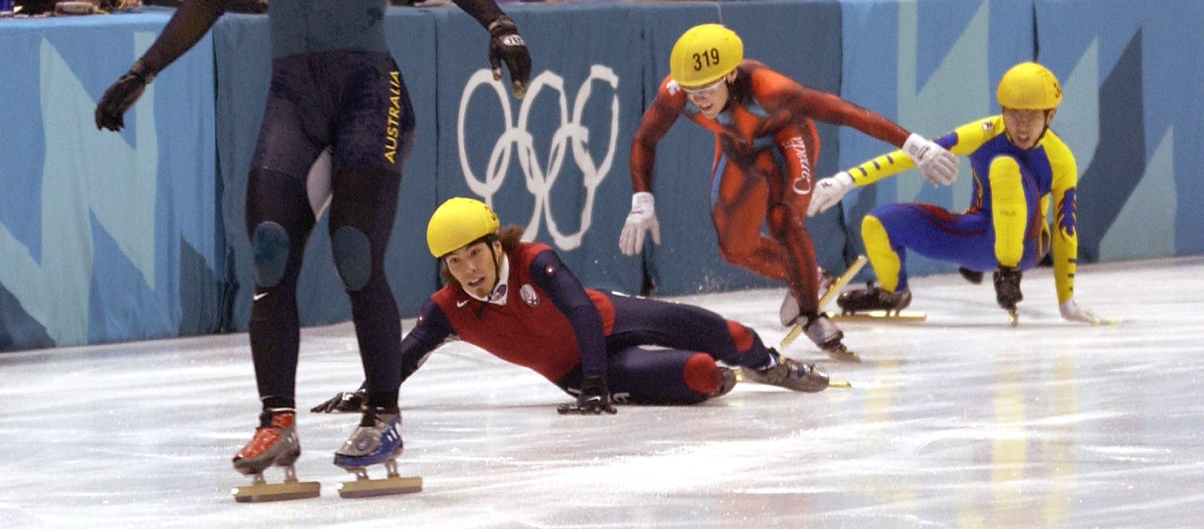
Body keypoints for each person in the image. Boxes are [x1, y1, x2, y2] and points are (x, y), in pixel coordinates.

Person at [92, 0, 531, 492]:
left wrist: (499, 24)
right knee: (270, 254)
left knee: (355, 251)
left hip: (368, 91)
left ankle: (383, 410)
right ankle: (277, 420)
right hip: (293, 95)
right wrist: (144, 69)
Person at [313, 197, 829, 418]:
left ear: (496, 245)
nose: (467, 269)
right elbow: (408, 354)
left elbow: (582, 312)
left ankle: (770, 366)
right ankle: (726, 376)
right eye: (454, 261)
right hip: (579, 370)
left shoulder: (533, 259)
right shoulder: (448, 307)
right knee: (698, 375)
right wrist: (370, 393)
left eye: (474, 252)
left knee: (733, 336)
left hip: (611, 320)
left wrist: (599, 386)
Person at [618, 23, 957, 355]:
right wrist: (642, 199)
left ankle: (810, 314)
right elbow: (644, 140)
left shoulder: (769, 89)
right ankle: (811, 274)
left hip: (787, 143)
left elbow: (846, 113)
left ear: (732, 75)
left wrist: (914, 145)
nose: (698, 98)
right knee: (734, 248)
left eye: (707, 87)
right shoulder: (675, 91)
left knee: (782, 220)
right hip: (737, 150)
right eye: (691, 89)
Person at [808, 62, 1108, 326]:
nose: (1022, 126)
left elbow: (1065, 231)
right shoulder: (985, 132)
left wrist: (1066, 302)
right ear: (1002, 111)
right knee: (878, 222)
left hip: (1026, 246)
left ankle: (1008, 271)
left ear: (1050, 116)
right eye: (1014, 114)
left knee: (1004, 165)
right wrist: (846, 179)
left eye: (1032, 116)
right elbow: (916, 152)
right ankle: (893, 293)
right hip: (978, 237)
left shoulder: (1061, 160)